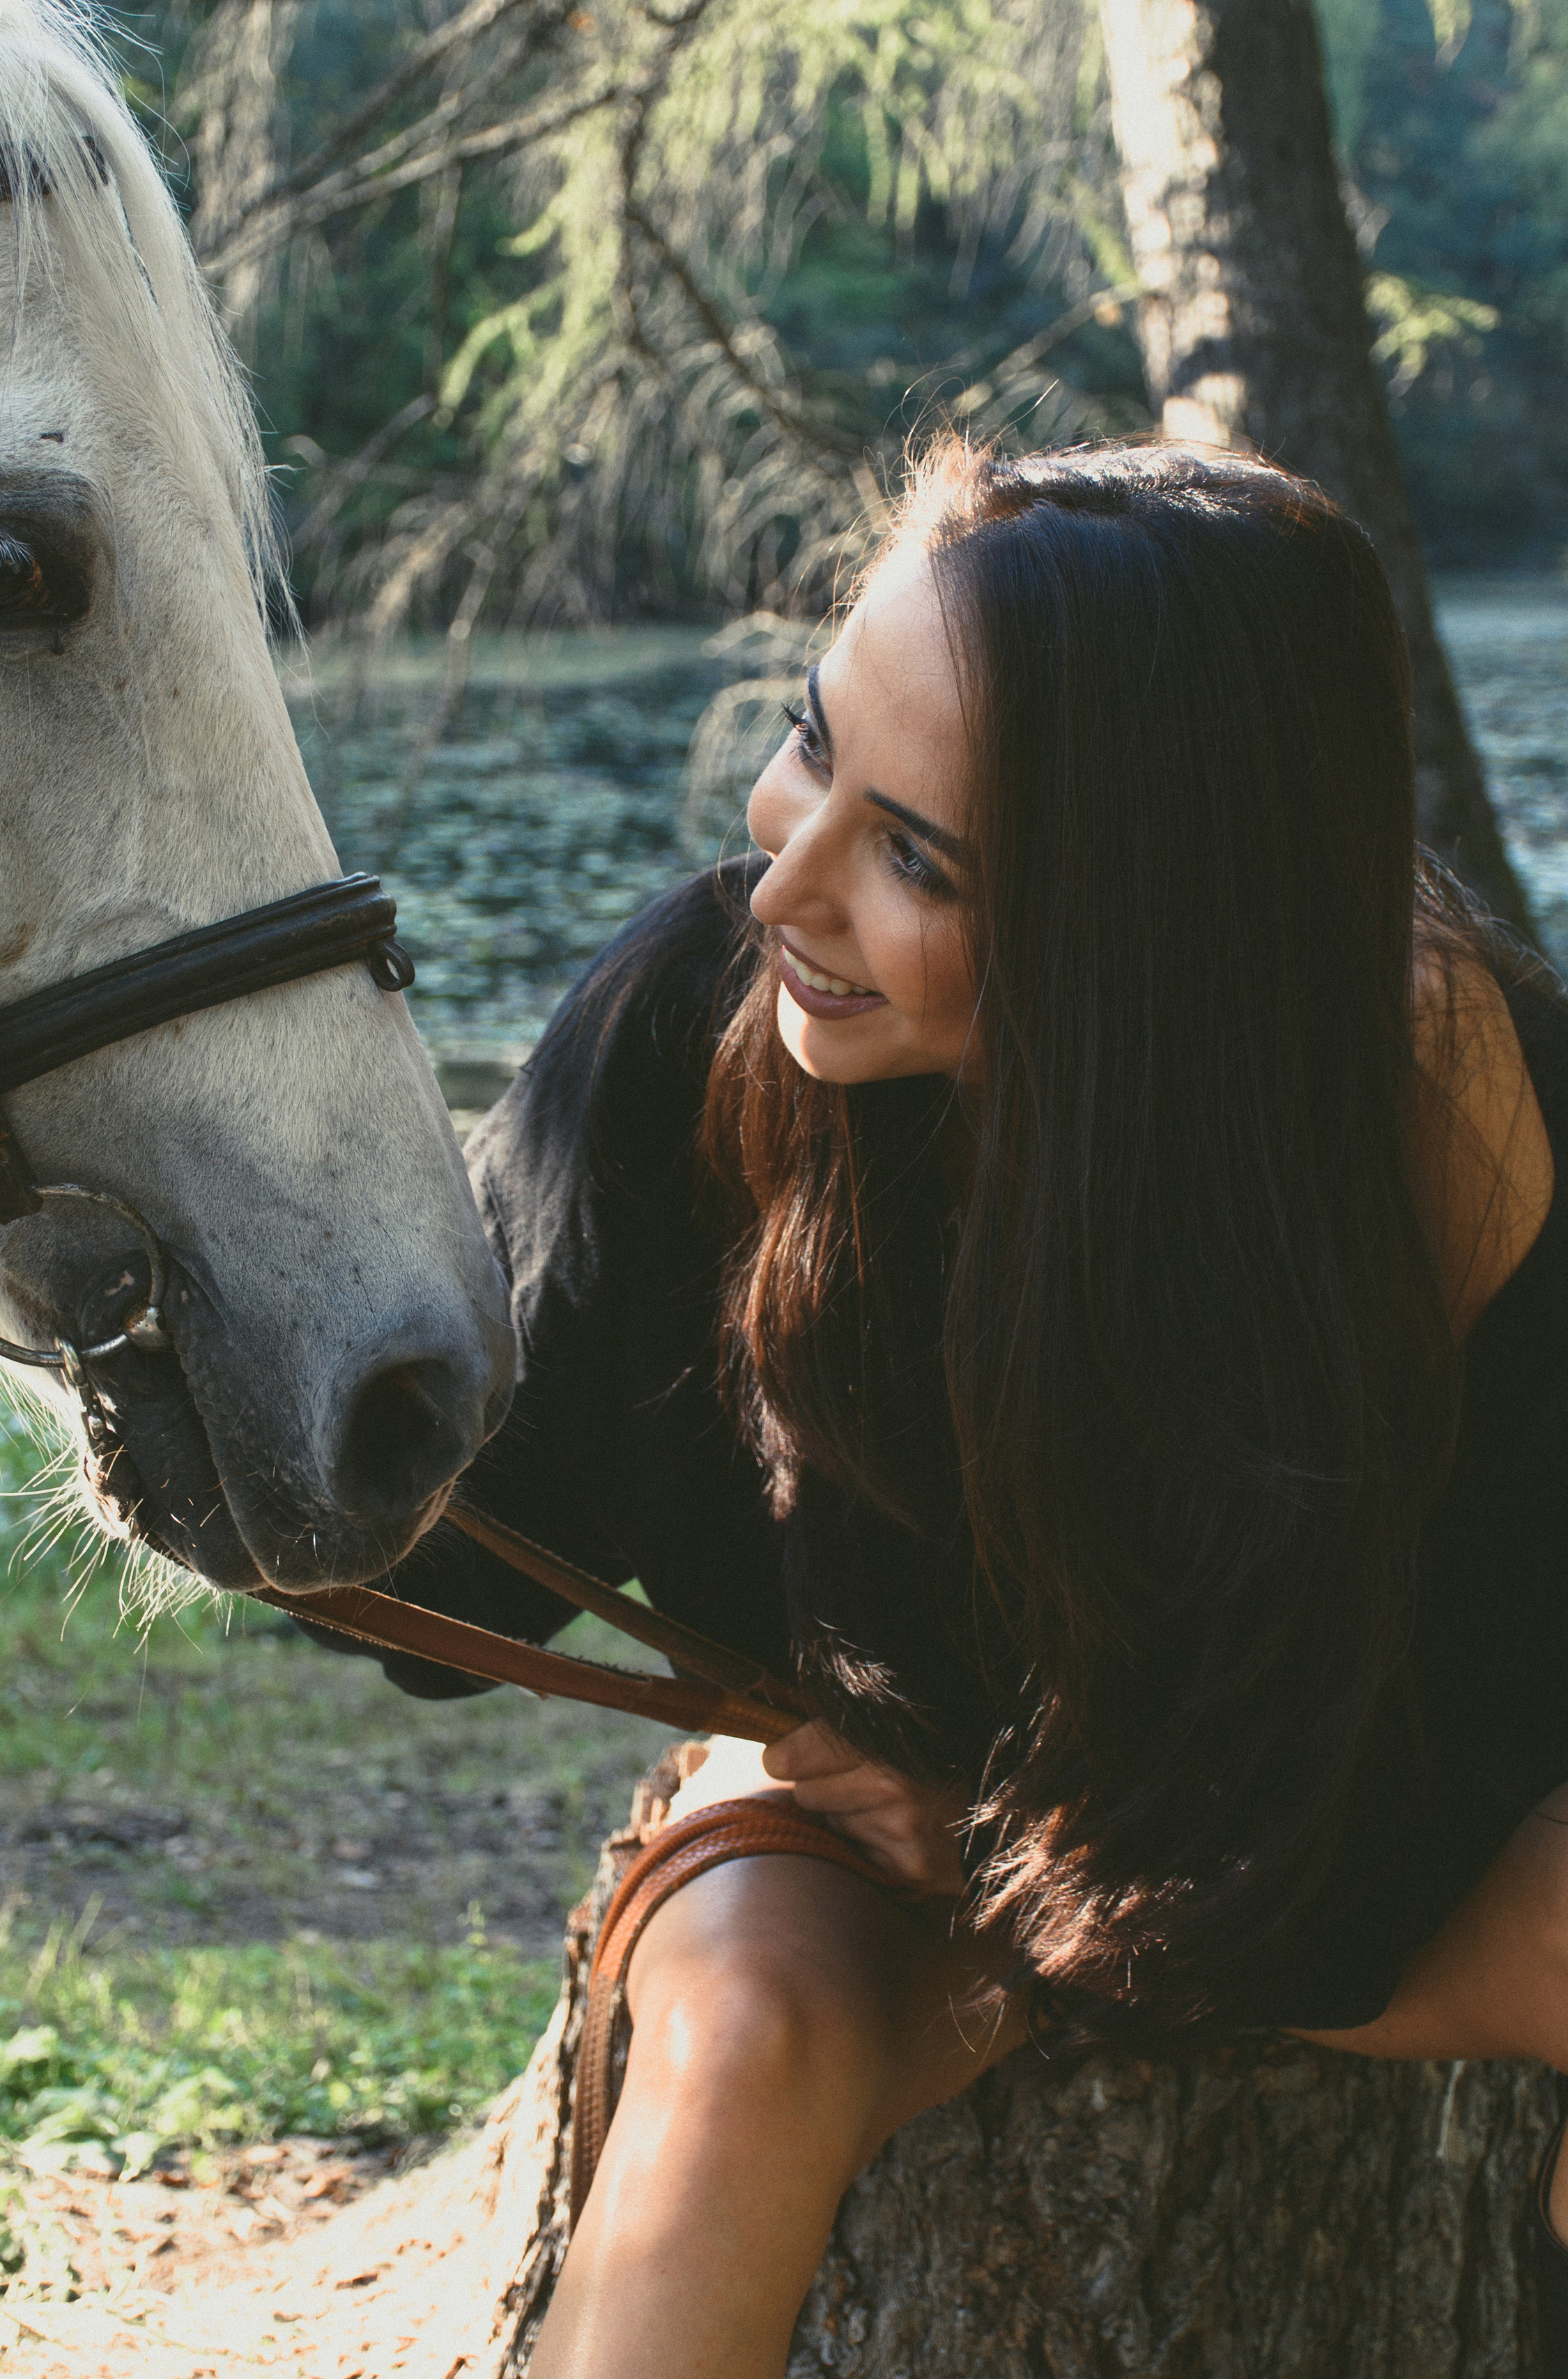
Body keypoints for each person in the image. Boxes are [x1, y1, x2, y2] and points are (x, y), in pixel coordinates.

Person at [317, 442, 1568, 2375]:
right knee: (748, 2030)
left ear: (1148, 938)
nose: (785, 881)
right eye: (814, 747)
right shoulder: (699, 1019)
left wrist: (1007, 1854)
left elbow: (1373, 1852)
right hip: (925, 1824)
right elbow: (448, 1571)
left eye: (921, 858)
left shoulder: (1434, 1136)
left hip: (1331, 1860)